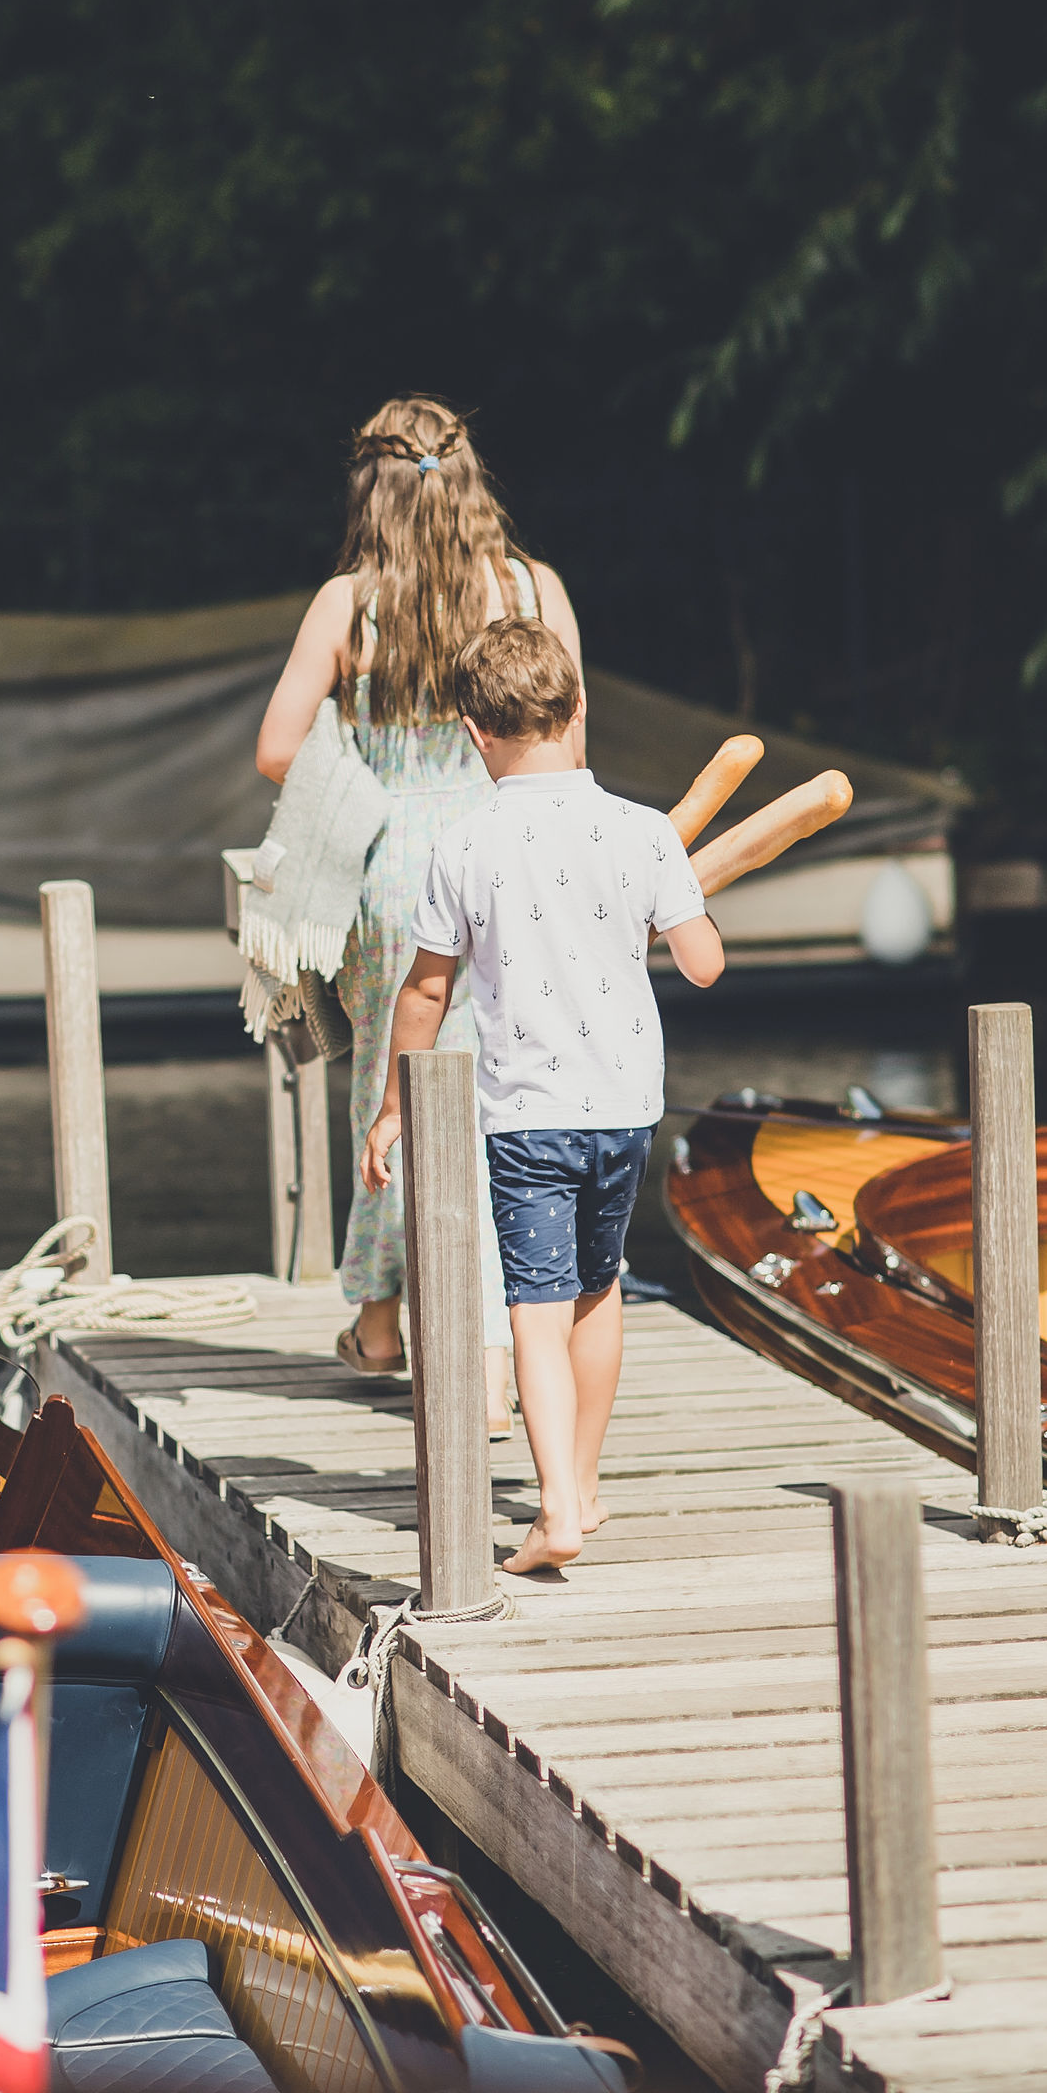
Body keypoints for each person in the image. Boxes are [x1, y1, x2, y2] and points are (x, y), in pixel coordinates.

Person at [357, 618, 723, 1573]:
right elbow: (705, 962)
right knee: (597, 1294)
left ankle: (556, 1507)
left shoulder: (463, 841)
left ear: (474, 736)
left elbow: (428, 989)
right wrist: (664, 913)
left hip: (525, 1115)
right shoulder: (643, 832)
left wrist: (394, 1106)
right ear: (581, 710)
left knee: (535, 1309)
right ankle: (586, 1487)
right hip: (624, 1108)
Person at [257, 399, 587, 1406]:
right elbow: (570, 749)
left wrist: (369, 781)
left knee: (391, 1101)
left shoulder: (347, 604)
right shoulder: (532, 588)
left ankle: (382, 1319)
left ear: (371, 490)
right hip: (518, 855)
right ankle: (506, 1335)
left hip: (394, 867)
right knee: (512, 1092)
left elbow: (278, 750)